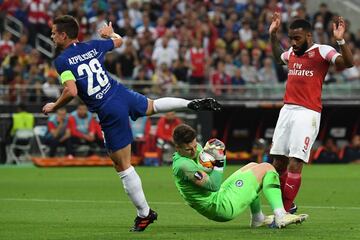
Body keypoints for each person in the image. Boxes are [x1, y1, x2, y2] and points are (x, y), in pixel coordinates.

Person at [42, 15, 221, 232]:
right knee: (152, 106)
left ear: (63, 35)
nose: (51, 36)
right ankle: (188, 103)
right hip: (119, 92)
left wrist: (55, 106)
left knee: (123, 166)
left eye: (53, 33)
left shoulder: (61, 61)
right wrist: (110, 34)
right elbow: (119, 41)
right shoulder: (93, 45)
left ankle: (144, 214)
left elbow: (71, 90)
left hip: (108, 108)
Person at [269, 13, 354, 213]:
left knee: (295, 162)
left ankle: (284, 210)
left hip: (307, 113)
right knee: (278, 162)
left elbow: (347, 63)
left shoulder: (322, 51)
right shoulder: (292, 52)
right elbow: (278, 57)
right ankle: (285, 207)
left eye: (297, 38)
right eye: (290, 38)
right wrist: (273, 36)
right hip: (287, 110)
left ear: (308, 36)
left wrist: (340, 40)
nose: (293, 42)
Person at [172, 124, 308, 228]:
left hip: (217, 197)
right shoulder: (183, 166)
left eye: (195, 146)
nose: (194, 151)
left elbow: (206, 169)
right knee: (267, 168)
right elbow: (213, 185)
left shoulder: (193, 151)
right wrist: (219, 160)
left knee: (253, 166)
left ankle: (258, 218)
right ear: (177, 148)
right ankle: (281, 214)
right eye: (189, 149)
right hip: (219, 207)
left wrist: (212, 157)